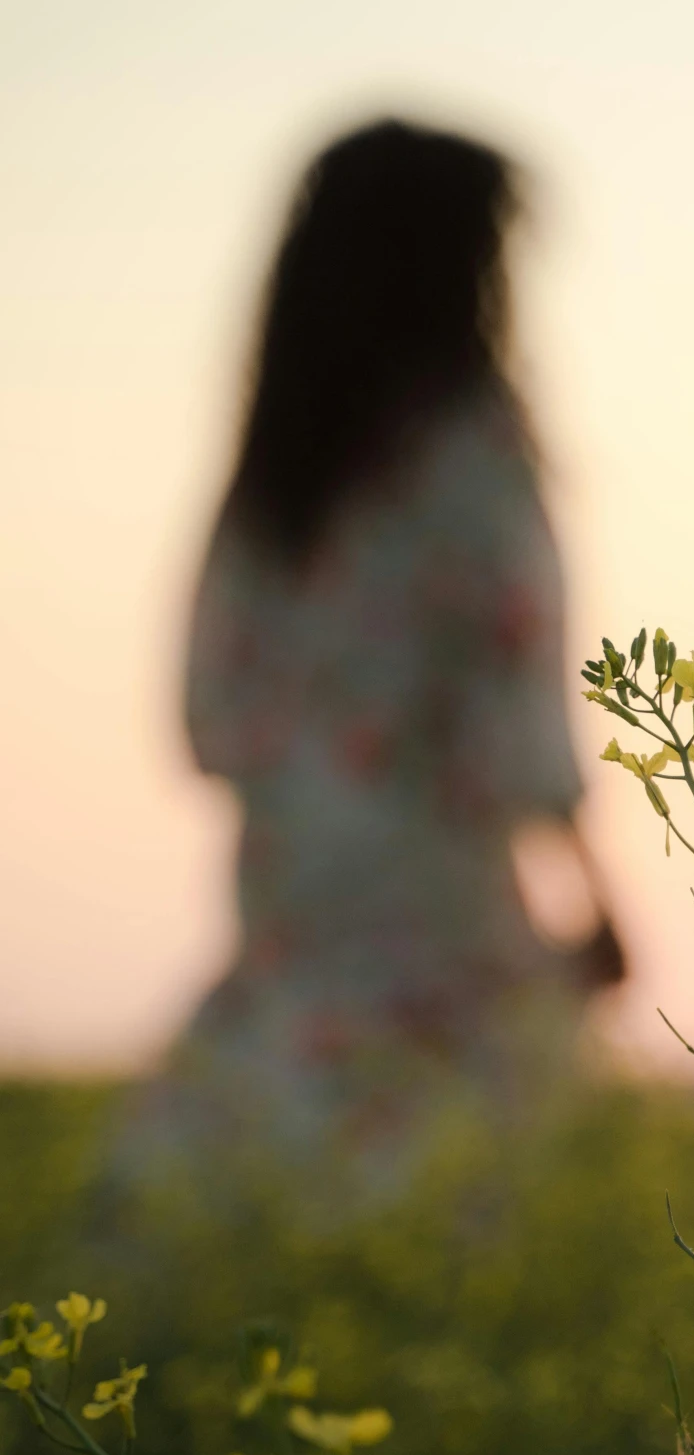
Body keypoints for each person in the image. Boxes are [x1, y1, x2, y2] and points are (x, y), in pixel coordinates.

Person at [129, 117, 622, 1198]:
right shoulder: (471, 455)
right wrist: (599, 900)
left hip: (290, 878)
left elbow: (208, 714)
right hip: (436, 889)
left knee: (265, 1170)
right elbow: (522, 707)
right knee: (458, 1184)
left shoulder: (280, 472)